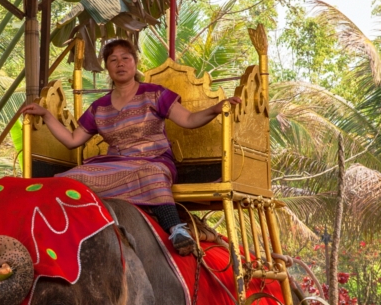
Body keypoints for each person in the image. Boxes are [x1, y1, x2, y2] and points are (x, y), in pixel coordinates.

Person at [22, 39, 240, 256]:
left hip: (152, 161)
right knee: (68, 179)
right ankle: (48, 235)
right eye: (113, 60)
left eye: (125, 58)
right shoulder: (99, 107)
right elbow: (72, 140)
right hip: (114, 165)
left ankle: (176, 230)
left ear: (135, 63)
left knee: (151, 174)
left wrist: (216, 109)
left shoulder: (154, 93)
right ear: (107, 67)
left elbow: (189, 120)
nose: (120, 64)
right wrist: (47, 116)